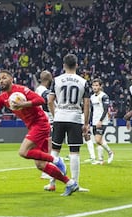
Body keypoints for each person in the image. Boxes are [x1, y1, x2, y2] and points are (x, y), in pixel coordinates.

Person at [0, 69, 79, 196]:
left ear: (11, 79)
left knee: (23, 152)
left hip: (40, 124)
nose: (1, 81)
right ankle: (70, 183)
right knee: (41, 165)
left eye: (4, 77)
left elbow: (41, 100)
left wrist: (24, 104)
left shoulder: (21, 90)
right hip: (32, 126)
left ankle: (56, 160)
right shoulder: (3, 97)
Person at [47, 53, 90, 192]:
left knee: (55, 151)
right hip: (75, 118)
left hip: (60, 117)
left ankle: (51, 183)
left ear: (64, 65)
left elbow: (50, 101)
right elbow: (87, 104)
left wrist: (56, 115)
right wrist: (86, 123)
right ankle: (75, 183)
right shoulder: (83, 82)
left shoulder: (57, 80)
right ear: (77, 65)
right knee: (74, 152)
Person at [89, 78, 114, 165]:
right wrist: (89, 122)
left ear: (100, 86)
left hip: (102, 121)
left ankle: (110, 152)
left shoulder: (104, 96)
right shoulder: (92, 97)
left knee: (98, 139)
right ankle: (100, 160)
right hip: (94, 120)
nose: (94, 87)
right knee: (98, 141)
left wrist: (100, 120)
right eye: (93, 85)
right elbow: (92, 111)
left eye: (96, 85)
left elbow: (106, 109)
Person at [35, 70, 53, 180]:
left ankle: (46, 170)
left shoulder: (38, 89)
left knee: (43, 147)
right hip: (47, 120)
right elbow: (49, 101)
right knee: (49, 147)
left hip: (39, 120)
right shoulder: (44, 91)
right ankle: (47, 171)